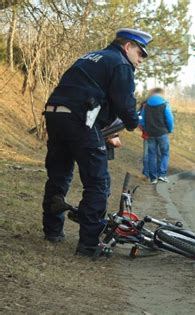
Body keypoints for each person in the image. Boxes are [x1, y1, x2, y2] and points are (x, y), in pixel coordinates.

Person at [42, 28, 152, 257]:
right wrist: (133, 123)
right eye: (140, 53)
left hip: (54, 113)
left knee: (59, 175)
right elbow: (124, 102)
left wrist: (104, 129)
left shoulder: (91, 56)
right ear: (128, 46)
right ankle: (89, 245)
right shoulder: (121, 63)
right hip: (80, 119)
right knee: (98, 183)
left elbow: (86, 91)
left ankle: (52, 231)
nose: (141, 60)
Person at [139, 90, 174, 184]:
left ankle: (153, 178)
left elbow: (141, 120)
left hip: (150, 134)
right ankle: (162, 175)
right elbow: (170, 119)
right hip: (162, 133)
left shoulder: (146, 106)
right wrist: (170, 129)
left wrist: (145, 129)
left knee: (151, 155)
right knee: (165, 154)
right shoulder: (165, 104)